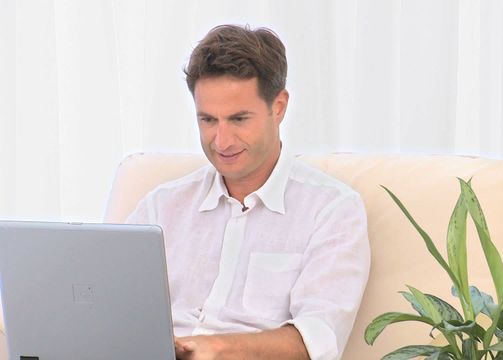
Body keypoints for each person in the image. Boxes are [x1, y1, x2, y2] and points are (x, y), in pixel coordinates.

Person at [126, 24, 370, 360]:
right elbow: (109, 306)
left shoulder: (331, 210)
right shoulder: (161, 206)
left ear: (279, 106)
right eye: (208, 120)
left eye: (239, 119)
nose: (221, 141)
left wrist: (213, 348)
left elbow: (315, 341)